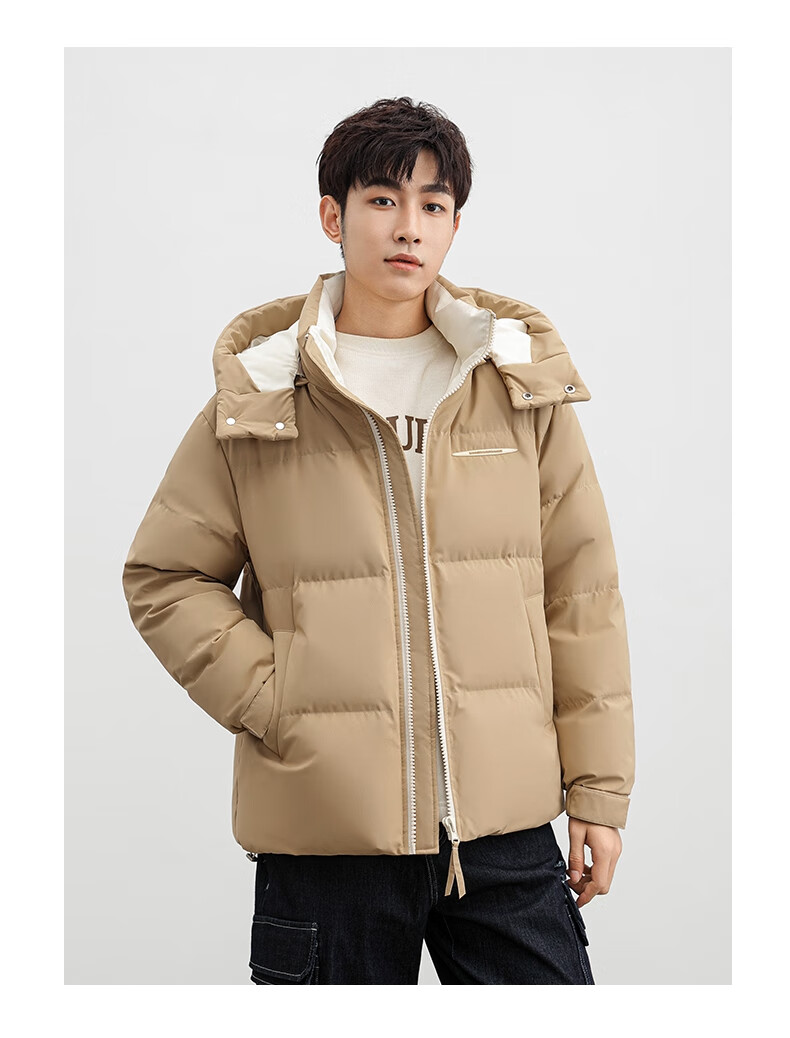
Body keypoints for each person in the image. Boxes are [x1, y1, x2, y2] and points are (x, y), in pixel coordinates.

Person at [122, 96, 636, 985]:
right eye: (383, 200)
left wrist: (598, 789)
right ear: (334, 216)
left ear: (454, 225)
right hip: (328, 833)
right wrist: (280, 699)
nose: (409, 227)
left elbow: (580, 592)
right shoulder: (262, 398)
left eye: (433, 205)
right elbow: (165, 575)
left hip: (504, 830)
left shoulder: (518, 389)